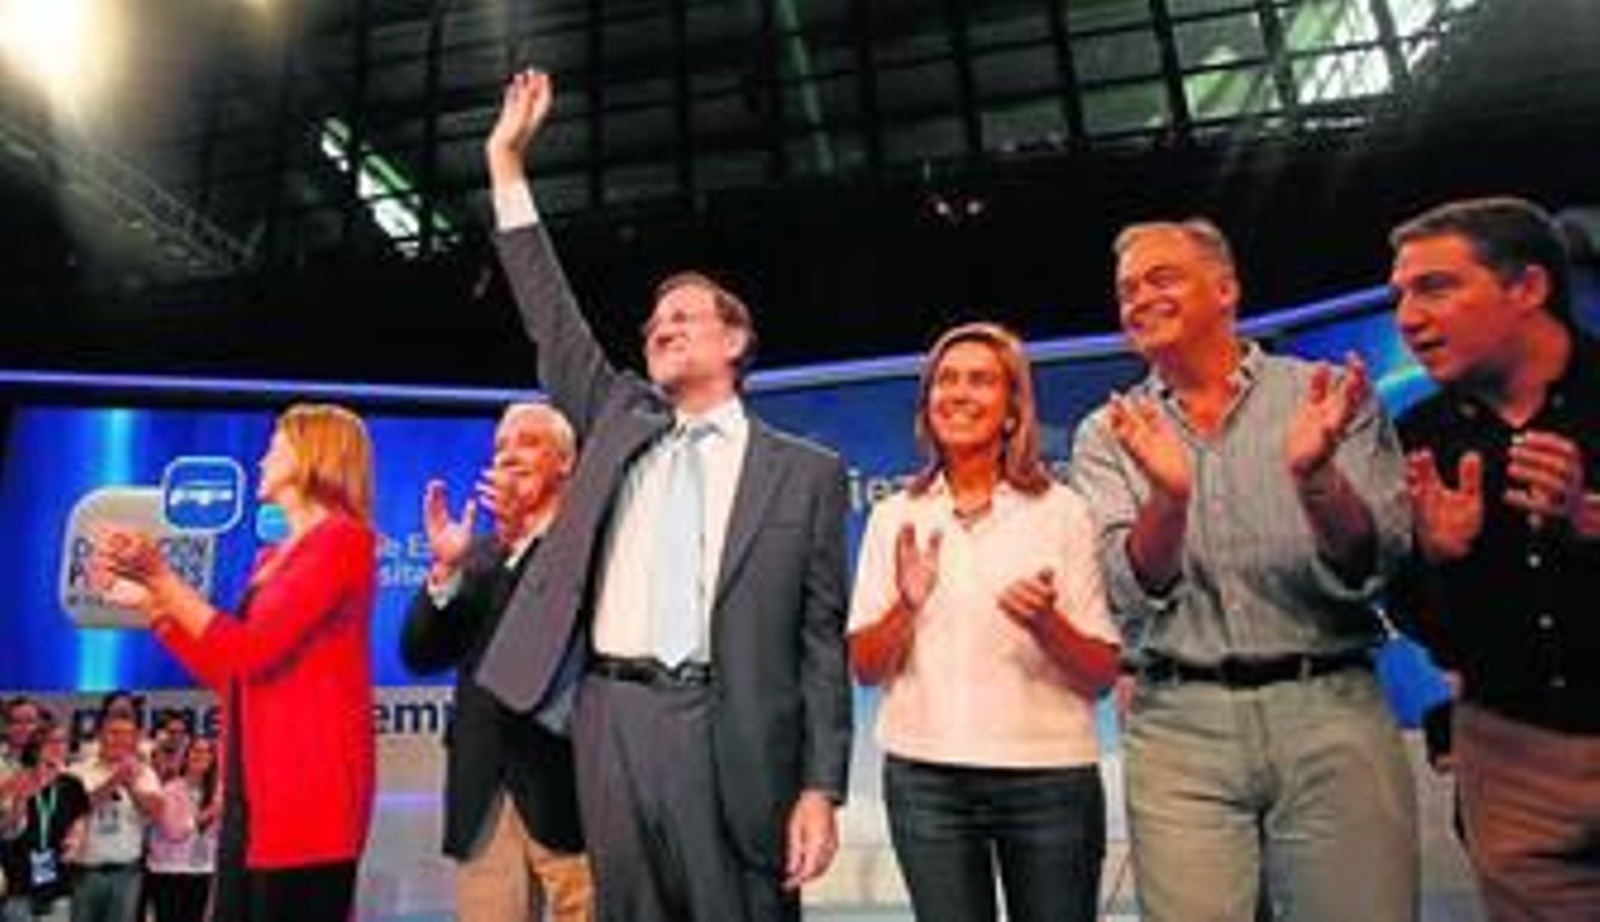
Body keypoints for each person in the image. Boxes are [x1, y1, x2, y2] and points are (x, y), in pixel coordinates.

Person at [474, 69, 853, 922]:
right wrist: (507, 163)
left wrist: (821, 786)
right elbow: (548, 308)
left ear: (738, 340)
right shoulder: (615, 416)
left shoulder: (806, 473)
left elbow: (820, 646)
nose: (663, 326)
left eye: (685, 315)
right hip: (612, 720)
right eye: (654, 322)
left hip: (735, 731)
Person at [1069, 219, 1417, 921]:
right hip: (1179, 728)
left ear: (1226, 289)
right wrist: (1168, 497)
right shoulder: (1108, 431)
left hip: (1330, 707)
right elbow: (1130, 590)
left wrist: (1316, 476)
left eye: (1161, 278)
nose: (1139, 299)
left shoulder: (1324, 395)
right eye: (1127, 290)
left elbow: (1375, 562)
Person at [847, 322, 1121, 922]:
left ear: (1012, 409)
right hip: (927, 784)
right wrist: (907, 603)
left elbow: (1101, 674)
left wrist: (1048, 624)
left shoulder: (1064, 511)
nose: (958, 392)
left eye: (980, 380)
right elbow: (866, 667)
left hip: (1048, 782)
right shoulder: (896, 516)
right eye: (945, 380)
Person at [1388, 195, 1600, 919]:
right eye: (1401, 295)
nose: (1408, 317)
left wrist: (1590, 528)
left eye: (1435, 287)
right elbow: (1433, 632)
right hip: (1512, 760)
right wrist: (1438, 561)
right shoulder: (1418, 439)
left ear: (1529, 288)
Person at [90, 403, 378, 922]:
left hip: (308, 798)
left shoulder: (342, 541)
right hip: (253, 797)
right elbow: (234, 670)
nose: (263, 457)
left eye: (276, 443)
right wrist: (152, 605)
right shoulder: (273, 559)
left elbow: (250, 648)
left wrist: (161, 578)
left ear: (314, 453)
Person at [401, 401, 593, 922]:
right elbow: (420, 656)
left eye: (527, 443)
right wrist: (445, 573)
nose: (509, 456)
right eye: (500, 448)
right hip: (484, 793)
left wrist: (521, 542)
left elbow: (538, 644)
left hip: (572, 794)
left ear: (566, 462)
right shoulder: (476, 556)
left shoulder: (593, 548)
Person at [67, 709, 163, 922]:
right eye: (113, 732)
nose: (120, 739)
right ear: (100, 735)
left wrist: (132, 786)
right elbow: (75, 808)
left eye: (127, 734)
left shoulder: (145, 772)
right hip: (84, 873)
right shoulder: (77, 771)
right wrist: (115, 780)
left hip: (127, 875)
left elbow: (156, 813)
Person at [1, 712, 89, 922]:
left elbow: (81, 818)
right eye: (53, 741)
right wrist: (20, 800)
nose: (59, 747)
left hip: (58, 882)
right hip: (19, 882)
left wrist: (76, 841)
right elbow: (7, 830)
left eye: (63, 741)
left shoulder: (71, 783)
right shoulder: (15, 780)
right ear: (36, 746)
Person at [144, 735, 220, 922]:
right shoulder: (170, 790)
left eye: (207, 752)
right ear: (186, 756)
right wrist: (208, 813)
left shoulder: (217, 791)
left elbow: (218, 838)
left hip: (202, 870)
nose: (201, 756)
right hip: (169, 871)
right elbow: (174, 832)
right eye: (196, 751)